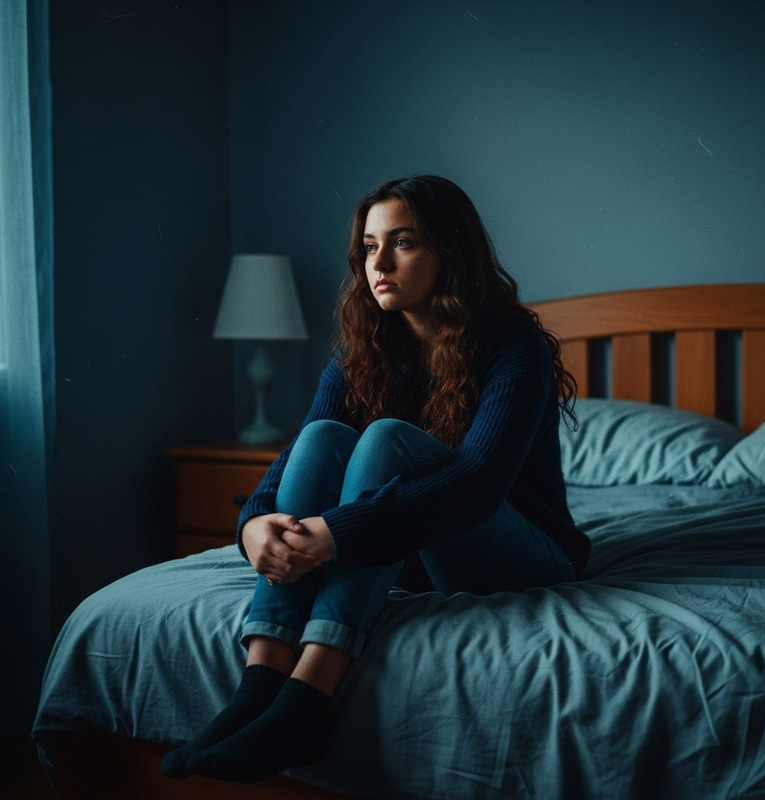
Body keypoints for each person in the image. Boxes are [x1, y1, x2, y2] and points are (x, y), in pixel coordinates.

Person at [162, 174, 591, 783]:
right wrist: (254, 522)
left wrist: (337, 533)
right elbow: (295, 453)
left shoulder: (511, 344)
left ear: (450, 251)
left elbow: (477, 483)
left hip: (522, 552)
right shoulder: (365, 344)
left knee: (387, 437)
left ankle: (309, 695)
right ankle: (260, 683)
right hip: (415, 551)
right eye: (368, 245)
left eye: (404, 243)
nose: (379, 263)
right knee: (322, 438)